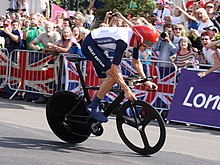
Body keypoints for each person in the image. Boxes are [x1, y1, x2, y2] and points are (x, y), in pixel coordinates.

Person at [81, 25, 159, 122]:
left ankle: (90, 117)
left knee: (104, 83)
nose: (149, 47)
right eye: (148, 44)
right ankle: (93, 107)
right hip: (90, 44)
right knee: (114, 77)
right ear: (140, 39)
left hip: (99, 47)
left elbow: (136, 61)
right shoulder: (123, 41)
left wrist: (146, 80)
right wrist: (126, 90)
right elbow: (115, 68)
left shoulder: (135, 40)